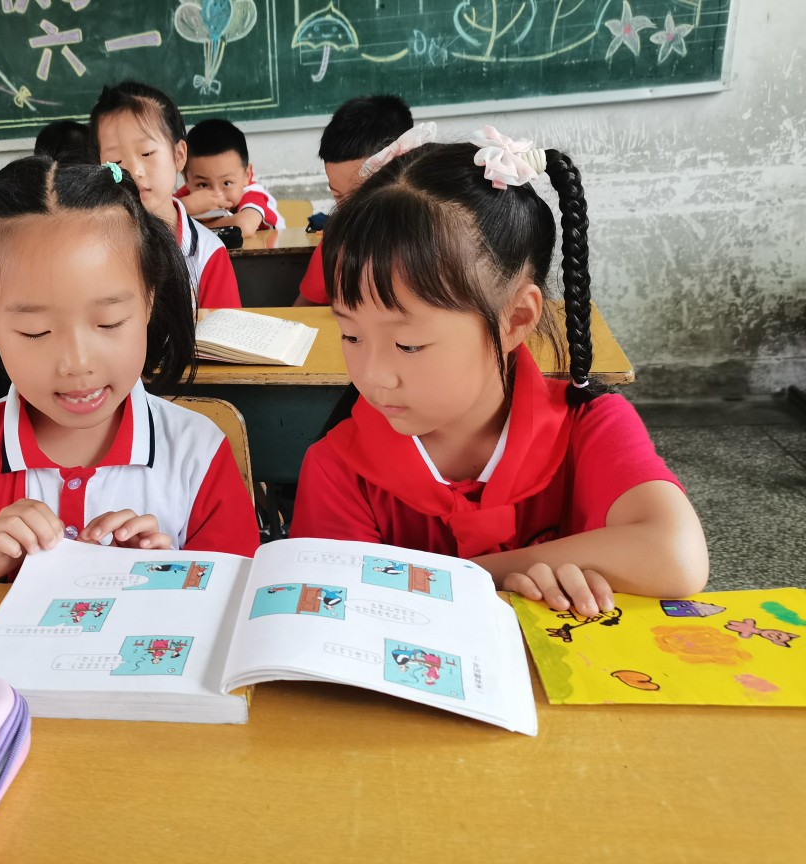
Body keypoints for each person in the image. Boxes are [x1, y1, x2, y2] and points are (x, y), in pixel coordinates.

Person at [290, 129, 709, 616]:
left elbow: (676, 556)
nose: (373, 375)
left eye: (408, 344)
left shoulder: (587, 425)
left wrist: (471, 578)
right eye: (351, 336)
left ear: (515, 320)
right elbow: (338, 627)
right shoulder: (339, 468)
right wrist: (519, 576)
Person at [0, 156, 258, 582]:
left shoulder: (196, 452)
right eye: (35, 331)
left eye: (109, 323)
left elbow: (236, 598)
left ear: (148, 299)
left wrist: (168, 577)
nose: (77, 363)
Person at [91, 81, 241, 309]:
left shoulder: (207, 253)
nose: (134, 171)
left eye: (147, 153)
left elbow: (223, 329)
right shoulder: (92, 248)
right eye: (117, 161)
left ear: (179, 156)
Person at [295, 95, 414, 307]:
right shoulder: (336, 242)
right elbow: (303, 310)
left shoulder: (435, 240)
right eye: (338, 196)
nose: (349, 212)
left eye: (359, 196)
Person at [176, 118, 284, 238]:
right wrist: (185, 205)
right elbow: (160, 217)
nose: (217, 195)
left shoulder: (253, 193)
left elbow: (244, 226)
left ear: (247, 175)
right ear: (186, 179)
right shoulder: (187, 196)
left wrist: (187, 219)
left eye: (227, 183)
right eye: (203, 185)